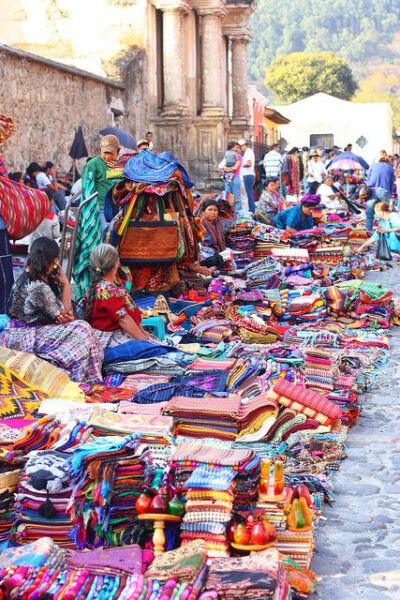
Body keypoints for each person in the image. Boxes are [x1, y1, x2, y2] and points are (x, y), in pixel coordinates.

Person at [3, 237, 103, 383]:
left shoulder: (39, 277)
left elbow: (64, 315)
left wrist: (65, 316)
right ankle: (79, 380)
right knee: (82, 329)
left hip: (35, 330)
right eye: (56, 261)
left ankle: (91, 378)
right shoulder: (37, 286)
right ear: (52, 262)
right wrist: (66, 285)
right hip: (23, 336)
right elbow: (64, 313)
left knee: (84, 330)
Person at [85, 243, 152, 348]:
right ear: (116, 263)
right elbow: (123, 319)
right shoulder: (107, 290)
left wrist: (145, 335)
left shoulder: (108, 285)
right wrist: (145, 342)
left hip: (123, 332)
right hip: (112, 337)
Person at [365, 157, 395, 232]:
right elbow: (392, 183)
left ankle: (368, 232)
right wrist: (391, 193)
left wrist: (368, 184)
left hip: (372, 190)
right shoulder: (390, 168)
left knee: (369, 213)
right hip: (385, 191)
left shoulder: (373, 165)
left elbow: (368, 178)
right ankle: (384, 231)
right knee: (385, 213)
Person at [198, 199, 227, 270]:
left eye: (215, 210)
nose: (212, 212)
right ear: (203, 211)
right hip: (204, 252)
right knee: (217, 260)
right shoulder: (199, 224)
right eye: (210, 210)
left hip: (215, 251)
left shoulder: (218, 223)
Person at [218, 141, 242, 212]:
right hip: (228, 177)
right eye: (235, 147)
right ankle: (228, 211)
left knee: (236, 196)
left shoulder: (239, 157)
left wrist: (226, 168)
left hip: (235, 178)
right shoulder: (228, 155)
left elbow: (235, 168)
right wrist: (226, 168)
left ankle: (237, 212)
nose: (236, 149)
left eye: (238, 147)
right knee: (227, 195)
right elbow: (219, 168)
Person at [238, 139, 256, 213]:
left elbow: (249, 164)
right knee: (249, 194)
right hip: (248, 175)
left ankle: (251, 211)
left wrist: (240, 165)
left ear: (245, 145)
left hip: (247, 175)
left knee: (249, 194)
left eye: (241, 146)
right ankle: (251, 210)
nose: (241, 148)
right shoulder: (247, 152)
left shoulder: (248, 152)